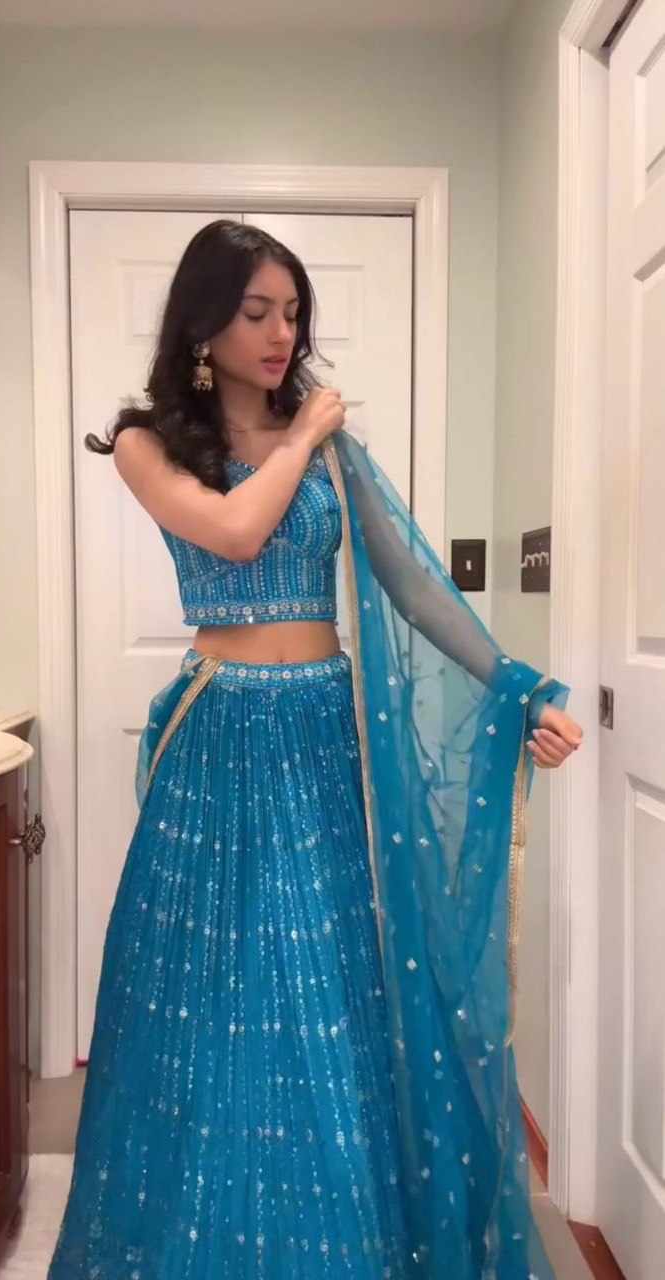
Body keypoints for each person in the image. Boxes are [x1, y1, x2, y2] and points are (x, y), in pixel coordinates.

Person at [47, 219, 583, 1279]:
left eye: (292, 313)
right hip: (220, 732)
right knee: (214, 990)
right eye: (256, 312)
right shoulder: (149, 444)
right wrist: (300, 441)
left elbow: (412, 581)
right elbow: (235, 531)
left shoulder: (328, 444)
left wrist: (513, 684)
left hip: (323, 732)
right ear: (203, 323)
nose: (281, 333)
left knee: (334, 984)